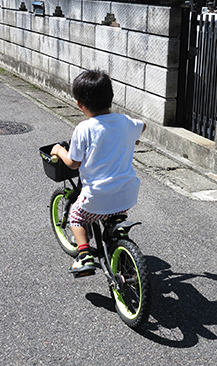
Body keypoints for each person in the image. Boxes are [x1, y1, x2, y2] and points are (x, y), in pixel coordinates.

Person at [50, 70, 146, 277]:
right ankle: (117, 226)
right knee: (113, 208)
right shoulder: (125, 121)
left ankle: (84, 254)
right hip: (128, 194)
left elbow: (73, 163)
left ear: (79, 104)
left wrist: (59, 150)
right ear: (111, 98)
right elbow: (143, 126)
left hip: (97, 196)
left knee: (76, 216)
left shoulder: (84, 128)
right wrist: (130, 136)